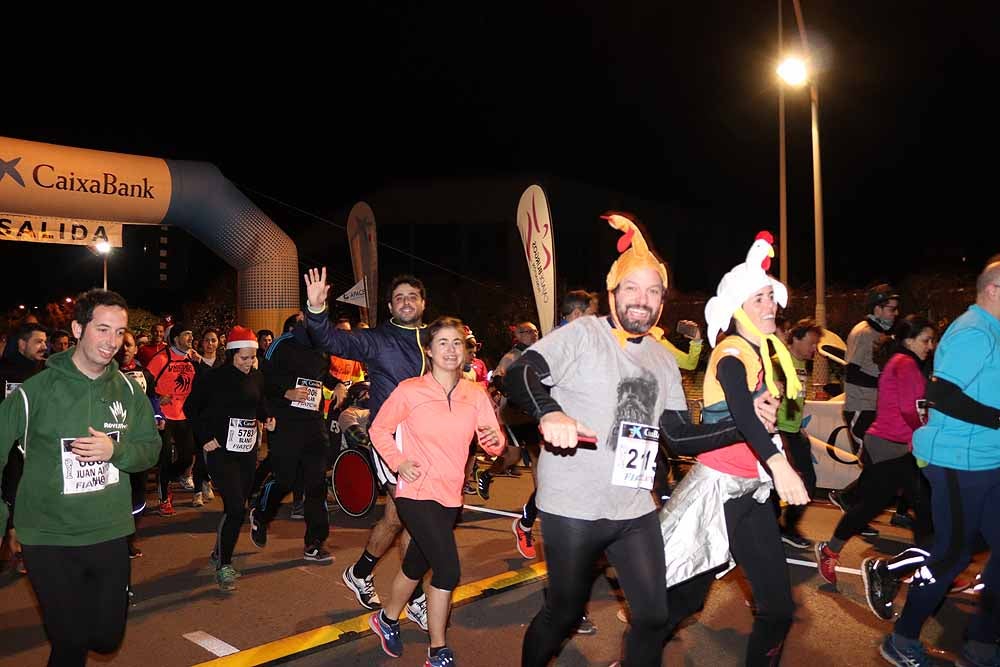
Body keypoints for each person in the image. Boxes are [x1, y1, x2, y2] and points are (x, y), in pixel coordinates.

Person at [508, 214, 772, 667]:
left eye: (653, 291)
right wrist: (550, 412)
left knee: (652, 615)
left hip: (633, 508)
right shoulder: (584, 334)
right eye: (631, 288)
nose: (641, 299)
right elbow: (521, 372)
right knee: (564, 611)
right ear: (612, 293)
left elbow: (679, 434)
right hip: (573, 508)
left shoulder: (662, 360)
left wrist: (748, 425)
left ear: (662, 301)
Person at [656, 231, 809, 666]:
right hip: (719, 492)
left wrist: (777, 450)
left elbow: (757, 419)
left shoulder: (761, 354)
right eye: (759, 298)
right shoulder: (731, 352)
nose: (770, 306)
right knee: (683, 600)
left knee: (777, 609)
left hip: (750, 493)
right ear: (738, 305)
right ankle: (637, 655)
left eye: (771, 297)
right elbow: (742, 415)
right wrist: (779, 464)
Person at [0, 289, 161, 666]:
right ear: (77, 328)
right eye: (103, 329)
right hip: (47, 536)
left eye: (120, 332)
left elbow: (150, 450)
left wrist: (115, 451)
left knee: (105, 639)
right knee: (70, 642)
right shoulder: (35, 392)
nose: (112, 342)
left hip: (108, 532)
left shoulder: (127, 390)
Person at [876, 261, 1000, 667]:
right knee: (951, 554)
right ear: (994, 290)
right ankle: (902, 637)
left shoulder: (992, 331)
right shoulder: (973, 331)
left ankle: (982, 640)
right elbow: (942, 394)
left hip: (988, 459)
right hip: (958, 461)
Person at [367, 316, 505, 667]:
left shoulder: (474, 395)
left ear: (465, 351)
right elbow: (379, 429)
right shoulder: (410, 390)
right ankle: (437, 650)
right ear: (428, 350)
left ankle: (386, 619)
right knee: (447, 570)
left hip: (449, 496)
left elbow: (494, 441)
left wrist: (493, 442)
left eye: (457, 343)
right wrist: (398, 462)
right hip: (414, 492)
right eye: (442, 342)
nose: (450, 349)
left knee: (415, 564)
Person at [303, 268, 430, 630]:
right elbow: (333, 341)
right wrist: (316, 310)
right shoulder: (377, 339)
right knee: (415, 518)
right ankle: (417, 597)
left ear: (423, 303)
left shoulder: (438, 338)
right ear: (390, 305)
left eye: (412, 296)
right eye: (399, 297)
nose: (406, 302)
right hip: (392, 440)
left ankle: (360, 573)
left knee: (395, 517)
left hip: (429, 442)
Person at [814, 316, 936, 593]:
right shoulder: (905, 364)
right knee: (874, 505)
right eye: (925, 340)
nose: (930, 345)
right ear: (908, 340)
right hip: (889, 446)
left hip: (900, 446)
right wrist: (929, 431)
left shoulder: (907, 363)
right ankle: (830, 552)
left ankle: (931, 566)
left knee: (922, 504)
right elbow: (910, 409)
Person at [187, 326, 275, 591]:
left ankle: (219, 550)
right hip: (220, 451)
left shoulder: (257, 377)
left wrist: (267, 417)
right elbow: (191, 408)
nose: (249, 363)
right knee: (236, 508)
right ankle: (224, 565)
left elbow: (259, 402)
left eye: (253, 357)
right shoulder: (214, 378)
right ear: (232, 354)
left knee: (238, 505)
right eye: (244, 358)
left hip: (246, 451)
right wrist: (205, 437)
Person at [250, 313, 332, 562]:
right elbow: (261, 380)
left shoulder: (322, 346)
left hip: (314, 424)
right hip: (286, 423)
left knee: (317, 484)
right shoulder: (280, 345)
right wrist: (285, 392)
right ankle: (261, 515)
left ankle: (315, 543)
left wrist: (338, 385)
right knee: (284, 480)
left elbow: (322, 376)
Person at [829, 284, 900, 534]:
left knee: (883, 463)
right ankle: (853, 505)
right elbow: (853, 372)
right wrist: (887, 381)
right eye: (891, 308)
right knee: (874, 464)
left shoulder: (885, 333)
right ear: (877, 308)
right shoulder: (863, 333)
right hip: (861, 407)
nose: (895, 312)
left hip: (878, 407)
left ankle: (855, 504)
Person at [0, 322, 48, 574]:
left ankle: (22, 546)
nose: (44, 346)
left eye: (45, 341)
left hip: (36, 450)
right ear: (21, 344)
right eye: (38, 341)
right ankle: (15, 545)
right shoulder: (4, 372)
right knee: (12, 495)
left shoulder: (45, 372)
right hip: (8, 451)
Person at [115, 330, 166, 559]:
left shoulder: (144, 373)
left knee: (138, 490)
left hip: (139, 443)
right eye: (120, 345)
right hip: (113, 444)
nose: (124, 349)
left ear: (136, 349)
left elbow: (152, 398)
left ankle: (129, 536)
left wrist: (157, 417)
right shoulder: (104, 374)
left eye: (129, 345)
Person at [774, 318, 823, 549]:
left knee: (806, 482)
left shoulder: (802, 365)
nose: (815, 349)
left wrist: (797, 425)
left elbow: (795, 400)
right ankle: (781, 527)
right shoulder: (778, 362)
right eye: (811, 343)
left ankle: (785, 526)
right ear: (795, 339)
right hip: (778, 431)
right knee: (780, 483)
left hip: (793, 431)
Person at [146, 322, 200, 514]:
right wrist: (157, 398)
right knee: (165, 456)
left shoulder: (192, 359)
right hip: (164, 416)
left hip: (183, 414)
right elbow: (144, 383)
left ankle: (167, 479)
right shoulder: (161, 359)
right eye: (187, 334)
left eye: (191, 335)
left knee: (187, 457)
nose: (191, 338)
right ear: (176, 338)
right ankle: (163, 497)